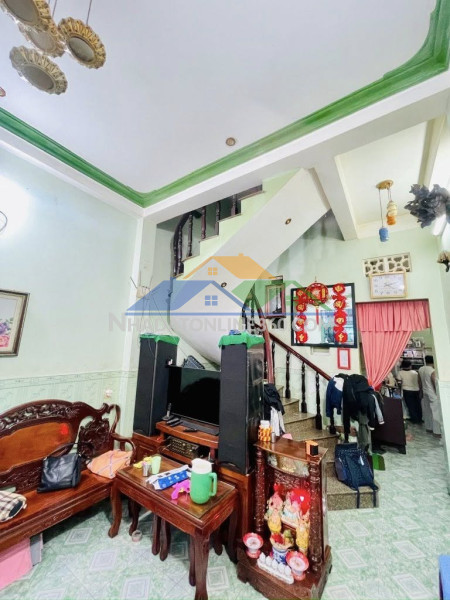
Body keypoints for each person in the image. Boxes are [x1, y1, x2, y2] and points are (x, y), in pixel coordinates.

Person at [418, 355, 441, 437]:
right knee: (436, 412)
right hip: (432, 394)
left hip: (425, 392)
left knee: (427, 411)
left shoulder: (421, 369)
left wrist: (420, 392)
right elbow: (434, 382)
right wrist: (437, 393)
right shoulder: (432, 371)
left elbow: (419, 381)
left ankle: (429, 428)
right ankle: (437, 432)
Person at [398, 360, 422, 424]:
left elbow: (399, 382)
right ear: (410, 366)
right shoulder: (415, 372)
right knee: (418, 405)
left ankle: (414, 419)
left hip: (407, 390)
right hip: (416, 390)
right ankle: (420, 418)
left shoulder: (400, 373)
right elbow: (419, 381)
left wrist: (400, 388)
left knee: (410, 405)